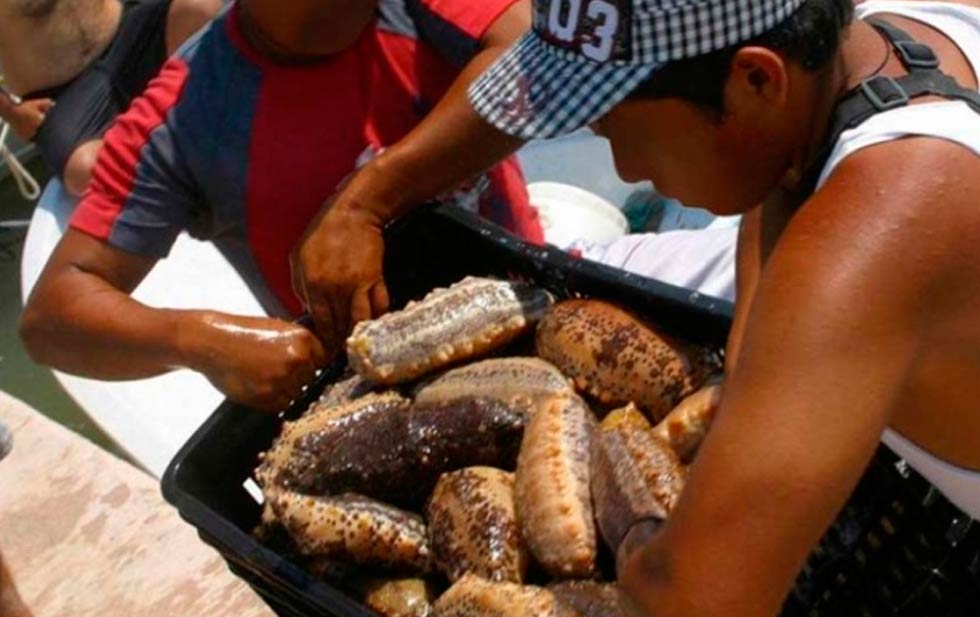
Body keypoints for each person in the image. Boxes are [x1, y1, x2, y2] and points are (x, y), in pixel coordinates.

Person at [299, 0, 980, 613]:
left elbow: (697, 598)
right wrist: (372, 195)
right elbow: (769, 212)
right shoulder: (878, 37)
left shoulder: (876, 237)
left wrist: (620, 507)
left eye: (618, 124)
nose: (624, 167)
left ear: (756, 82)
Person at [19, 0, 543, 412]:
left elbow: (537, 57)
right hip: (378, 393)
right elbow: (51, 319)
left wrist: (364, 203)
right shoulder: (180, 122)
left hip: (533, 298)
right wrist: (199, 339)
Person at [0, 0, 221, 196]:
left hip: (127, 32)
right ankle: (184, 168)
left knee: (199, 8)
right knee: (84, 170)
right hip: (64, 93)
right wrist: (12, 112)